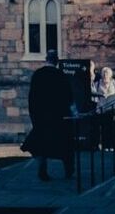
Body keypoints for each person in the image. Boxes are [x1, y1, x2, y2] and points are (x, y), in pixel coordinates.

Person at [26, 50, 74, 181]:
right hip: (58, 117)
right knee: (63, 144)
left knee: (42, 145)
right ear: (56, 61)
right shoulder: (60, 75)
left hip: (41, 117)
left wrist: (34, 115)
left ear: (46, 60)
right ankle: (68, 170)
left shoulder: (38, 75)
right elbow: (68, 97)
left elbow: (32, 98)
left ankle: (42, 170)